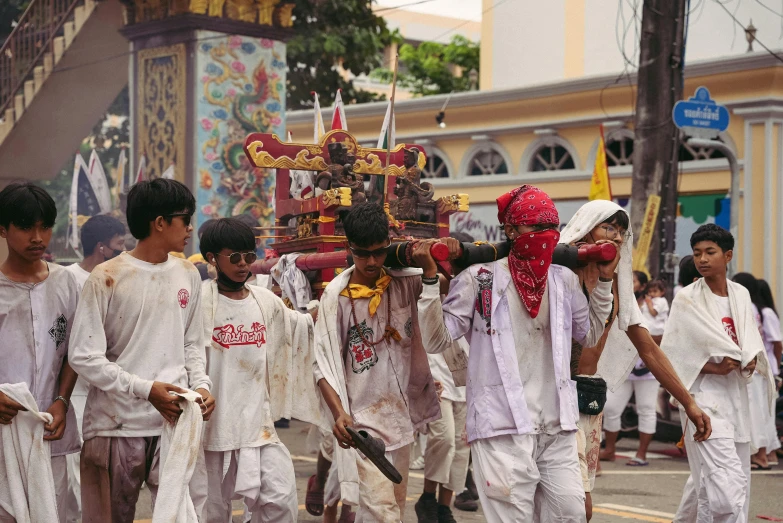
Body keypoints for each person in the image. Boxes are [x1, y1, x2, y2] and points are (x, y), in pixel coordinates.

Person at [414, 185, 618, 522]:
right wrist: (431, 281)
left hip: (557, 424)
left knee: (571, 513)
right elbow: (436, 340)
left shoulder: (564, 279)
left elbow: (592, 333)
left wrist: (605, 283)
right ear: (510, 231)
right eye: (534, 228)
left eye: (550, 228)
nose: (545, 236)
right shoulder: (479, 279)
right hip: (501, 427)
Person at [68, 178, 216, 523]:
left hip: (174, 421)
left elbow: (192, 342)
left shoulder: (187, 274)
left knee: (182, 515)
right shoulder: (107, 276)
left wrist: (202, 386)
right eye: (185, 218)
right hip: (114, 426)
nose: (190, 227)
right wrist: (145, 389)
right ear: (160, 223)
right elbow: (84, 356)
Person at [557, 200, 711, 520]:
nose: (615, 237)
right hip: (552, 402)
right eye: (608, 227)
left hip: (588, 404)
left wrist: (688, 403)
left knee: (575, 508)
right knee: (574, 505)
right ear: (585, 230)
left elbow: (649, 350)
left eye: (620, 232)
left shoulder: (618, 287)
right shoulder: (556, 274)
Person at [313, 202, 441, 522]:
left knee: (393, 509)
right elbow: (322, 364)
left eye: (379, 252)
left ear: (389, 245)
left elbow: (438, 309)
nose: (371, 262)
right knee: (384, 514)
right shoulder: (337, 298)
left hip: (402, 420)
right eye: (362, 253)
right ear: (349, 248)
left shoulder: (406, 281)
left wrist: (429, 269)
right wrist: (340, 413)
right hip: (361, 424)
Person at [199, 217, 320, 522]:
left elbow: (303, 329)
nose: (243, 265)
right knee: (211, 512)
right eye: (234, 257)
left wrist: (330, 302)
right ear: (212, 258)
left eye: (249, 257)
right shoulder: (199, 303)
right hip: (211, 431)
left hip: (259, 426)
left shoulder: (266, 302)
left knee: (280, 502)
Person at [663, 224, 775, 523]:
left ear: (727, 256)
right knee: (725, 489)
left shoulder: (740, 294)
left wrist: (749, 360)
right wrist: (714, 366)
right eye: (697, 253)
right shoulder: (687, 298)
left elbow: (749, 339)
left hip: (737, 395)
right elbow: (672, 354)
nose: (702, 259)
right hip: (701, 398)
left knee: (716, 481)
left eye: (710, 252)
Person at [0, 182, 81, 523]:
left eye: (45, 226)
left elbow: (75, 352)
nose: (37, 237)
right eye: (25, 227)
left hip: (50, 427)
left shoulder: (66, 284)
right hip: (3, 428)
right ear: (3, 229)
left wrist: (61, 402)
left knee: (53, 513)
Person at [62, 213, 126, 523]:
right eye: (119, 244)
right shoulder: (66, 279)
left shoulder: (119, 278)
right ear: (101, 247)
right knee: (74, 473)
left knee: (103, 474)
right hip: (72, 391)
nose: (123, 251)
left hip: (110, 391)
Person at [599, 275, 666, 467]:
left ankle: (641, 453)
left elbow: (662, 334)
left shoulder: (656, 305)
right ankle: (609, 449)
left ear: (643, 285)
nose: (631, 283)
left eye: (635, 281)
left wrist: (642, 340)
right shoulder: (617, 301)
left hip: (647, 367)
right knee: (610, 407)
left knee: (646, 409)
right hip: (623, 364)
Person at [415, 336, 470, 523]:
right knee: (443, 440)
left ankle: (444, 508)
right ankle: (427, 498)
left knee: (461, 448)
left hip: (467, 381)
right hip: (438, 378)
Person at [732, 273, 781, 470]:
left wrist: (777, 367)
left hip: (755, 367)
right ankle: (768, 453)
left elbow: (775, 343)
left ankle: (760, 453)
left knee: (755, 412)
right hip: (759, 366)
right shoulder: (754, 308)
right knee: (763, 413)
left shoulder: (747, 307)